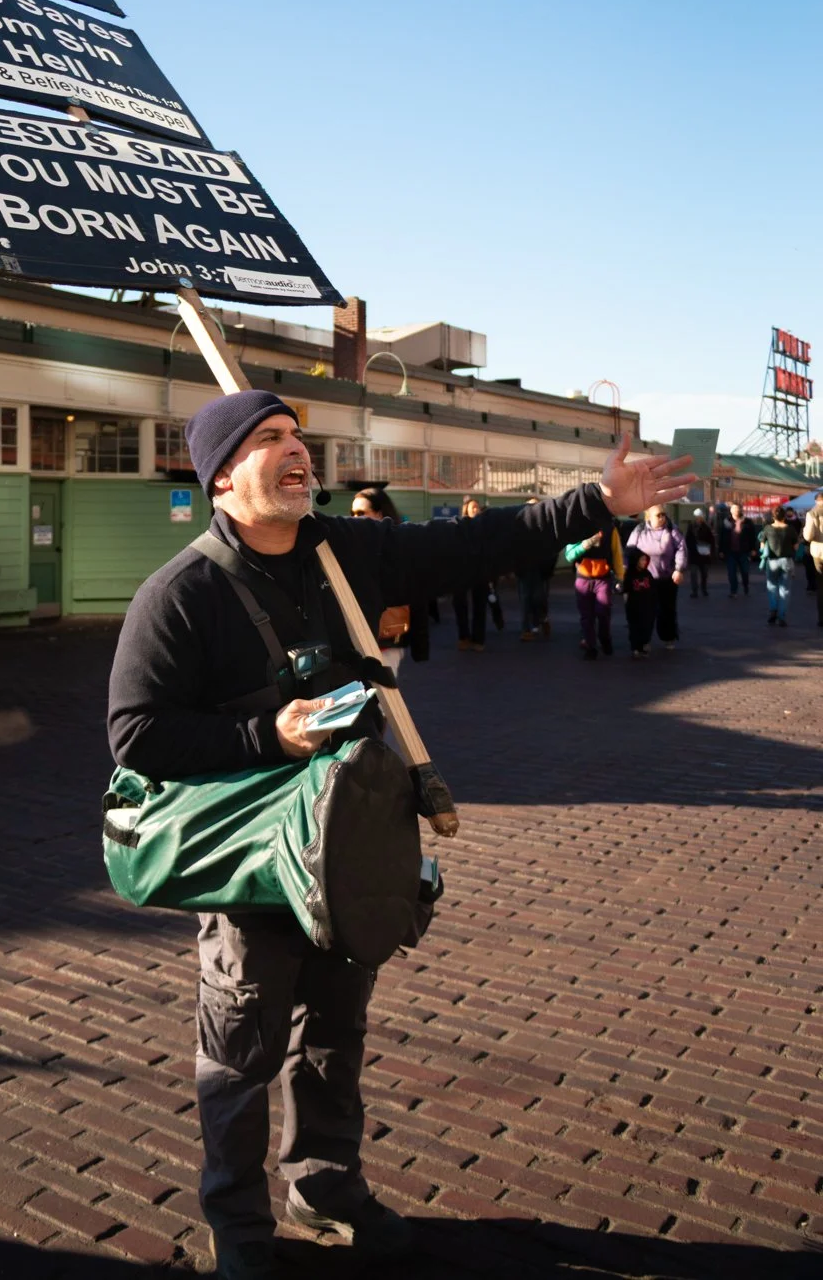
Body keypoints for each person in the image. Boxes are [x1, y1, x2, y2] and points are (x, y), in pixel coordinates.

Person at [106, 390, 692, 1280]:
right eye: (270, 440)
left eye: (299, 438)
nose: (298, 452)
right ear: (223, 474)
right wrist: (271, 736)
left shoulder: (349, 552)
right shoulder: (179, 593)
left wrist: (598, 503)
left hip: (353, 846)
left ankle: (325, 1188)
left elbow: (475, 543)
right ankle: (238, 1225)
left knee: (336, 1031)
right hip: (250, 861)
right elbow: (136, 737)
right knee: (240, 1051)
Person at [349, 487, 429, 674]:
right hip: (354, 644)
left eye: (361, 513)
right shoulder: (350, 546)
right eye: (352, 513)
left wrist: (420, 646)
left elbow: (417, 596)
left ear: (379, 514)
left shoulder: (399, 548)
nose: (354, 518)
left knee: (381, 701)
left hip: (386, 643)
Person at [627, 506, 688, 648]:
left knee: (667, 610)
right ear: (648, 517)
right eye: (658, 515)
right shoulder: (639, 531)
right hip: (645, 579)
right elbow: (629, 551)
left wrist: (678, 569)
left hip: (667, 577)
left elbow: (681, 549)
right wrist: (627, 571)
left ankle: (668, 637)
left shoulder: (672, 530)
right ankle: (643, 640)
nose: (662, 518)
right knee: (645, 611)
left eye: (664, 515)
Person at [564, 524, 623, 659]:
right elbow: (569, 555)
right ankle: (591, 647)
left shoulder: (610, 528)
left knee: (603, 611)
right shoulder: (577, 527)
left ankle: (605, 638)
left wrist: (620, 577)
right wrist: (586, 545)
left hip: (603, 578)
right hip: (583, 578)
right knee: (587, 616)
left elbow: (617, 553)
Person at [452, 497, 488, 652]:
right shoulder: (459, 526)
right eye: (473, 507)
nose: (476, 509)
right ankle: (463, 636)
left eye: (477, 507)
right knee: (460, 604)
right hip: (461, 570)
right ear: (465, 509)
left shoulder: (485, 527)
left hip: (481, 570)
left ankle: (478, 639)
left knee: (480, 605)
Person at [517, 498, 554, 641]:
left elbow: (553, 549)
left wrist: (548, 568)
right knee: (525, 599)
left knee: (539, 598)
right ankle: (526, 629)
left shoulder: (546, 526)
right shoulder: (519, 526)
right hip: (524, 569)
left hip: (541, 570)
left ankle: (542, 618)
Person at [758, 506, 796, 627]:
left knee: (772, 587)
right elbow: (795, 547)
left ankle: (773, 609)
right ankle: (782, 616)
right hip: (786, 561)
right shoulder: (790, 529)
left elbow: (762, 547)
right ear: (785, 516)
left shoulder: (767, 529)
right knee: (784, 590)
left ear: (773, 516)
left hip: (772, 562)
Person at [622, 544, 657, 657]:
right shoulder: (630, 575)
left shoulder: (647, 574)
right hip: (634, 606)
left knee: (646, 626)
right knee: (635, 627)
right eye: (641, 559)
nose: (644, 562)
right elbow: (626, 588)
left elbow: (653, 588)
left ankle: (644, 644)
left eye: (645, 560)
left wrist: (654, 602)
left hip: (647, 606)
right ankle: (635, 647)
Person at [719, 503, 757, 597]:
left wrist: (753, 549)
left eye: (737, 509)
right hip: (730, 551)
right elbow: (722, 537)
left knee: (745, 572)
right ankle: (733, 591)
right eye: (734, 509)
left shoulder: (747, 522)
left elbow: (752, 537)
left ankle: (745, 585)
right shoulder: (726, 522)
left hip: (743, 551)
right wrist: (721, 550)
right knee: (732, 573)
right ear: (731, 511)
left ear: (740, 510)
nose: (736, 510)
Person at [685, 508, 716, 598]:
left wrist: (710, 551)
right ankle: (695, 591)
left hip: (704, 554)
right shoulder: (690, 527)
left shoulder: (706, 528)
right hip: (694, 554)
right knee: (693, 573)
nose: (698, 519)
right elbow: (688, 539)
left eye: (700, 517)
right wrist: (690, 548)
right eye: (697, 517)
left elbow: (711, 540)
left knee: (704, 574)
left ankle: (704, 588)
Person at [804, 492, 823, 626]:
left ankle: (821, 618)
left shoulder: (812, 513)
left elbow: (808, 536)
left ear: (817, 500)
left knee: (821, 586)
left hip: (818, 552)